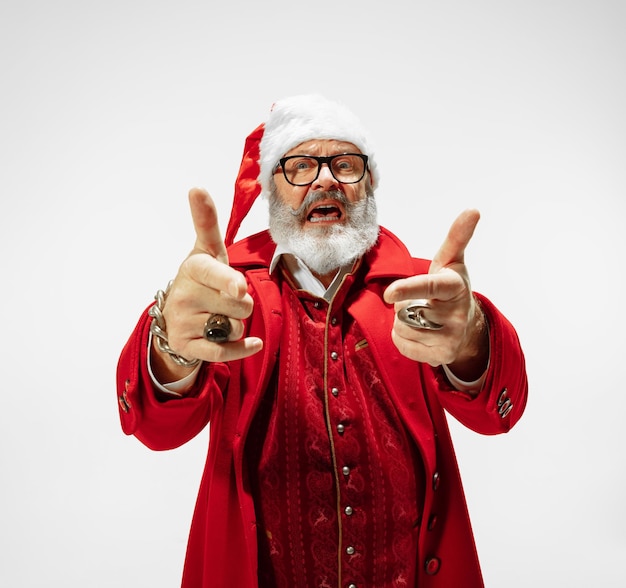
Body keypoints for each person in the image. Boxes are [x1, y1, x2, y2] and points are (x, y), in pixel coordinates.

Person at [117, 94, 527, 588]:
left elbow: (497, 415)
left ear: (369, 184)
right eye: (301, 166)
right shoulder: (223, 295)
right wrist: (171, 344)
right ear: (272, 189)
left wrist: (473, 335)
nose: (326, 179)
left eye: (346, 164)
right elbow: (157, 430)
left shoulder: (426, 292)